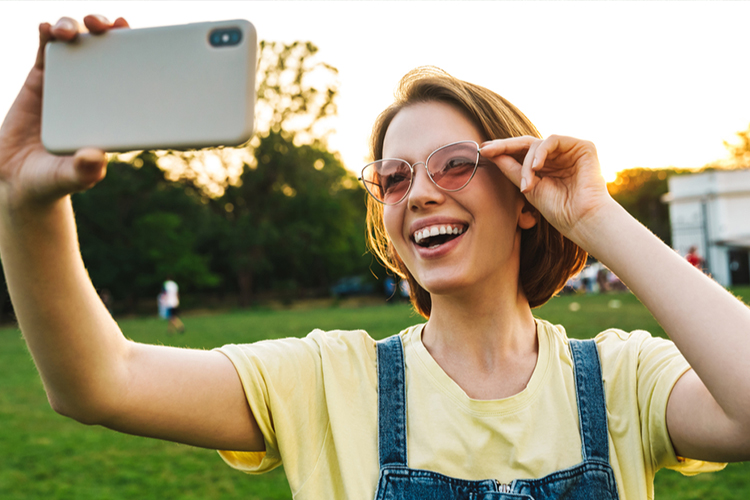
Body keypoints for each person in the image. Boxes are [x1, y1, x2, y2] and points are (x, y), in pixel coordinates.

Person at [1, 15, 749, 500]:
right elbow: (100, 382)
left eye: (454, 164)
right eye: (394, 177)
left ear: (527, 196)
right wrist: (23, 202)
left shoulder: (623, 378)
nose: (418, 192)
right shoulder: (329, 379)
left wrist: (593, 216)